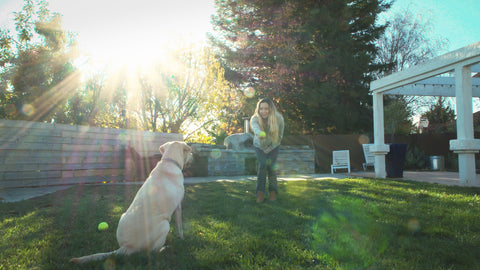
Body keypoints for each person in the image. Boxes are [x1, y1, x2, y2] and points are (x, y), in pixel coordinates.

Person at [250, 98, 284, 203]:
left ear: (271, 109)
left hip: (274, 145)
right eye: (261, 109)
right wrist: (259, 133)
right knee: (263, 165)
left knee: (271, 168)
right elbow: (255, 129)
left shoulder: (278, 118)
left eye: (266, 109)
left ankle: (273, 192)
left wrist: (270, 148)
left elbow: (280, 136)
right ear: (258, 109)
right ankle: (260, 193)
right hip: (259, 146)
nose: (263, 111)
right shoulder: (254, 118)